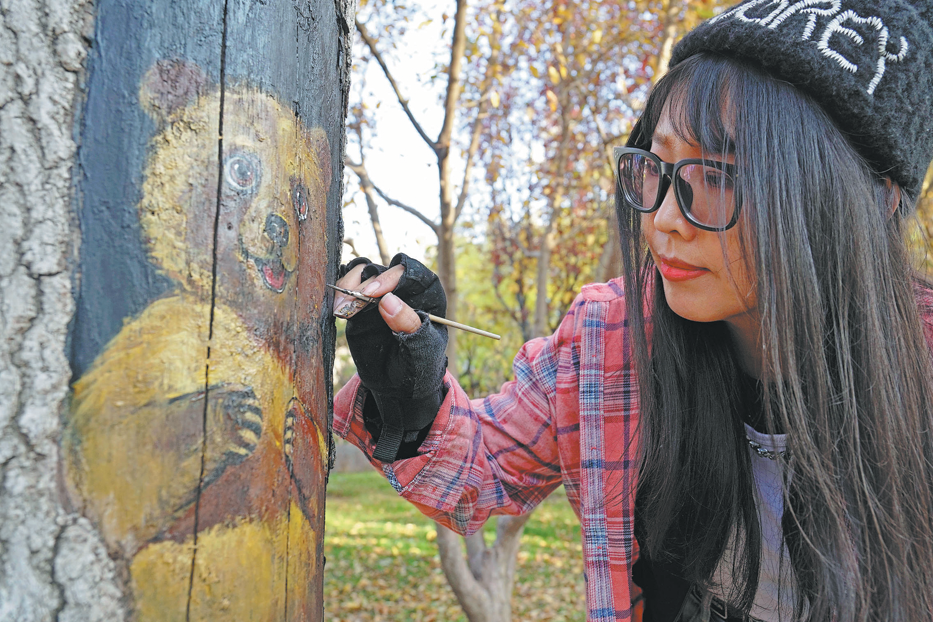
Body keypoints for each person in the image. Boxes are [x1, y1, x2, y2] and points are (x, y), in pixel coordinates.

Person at [331, 1, 933, 620]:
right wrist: (411, 382)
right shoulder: (608, 337)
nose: (664, 219)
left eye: (719, 174)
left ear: (873, 200)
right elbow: (479, 474)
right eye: (659, 168)